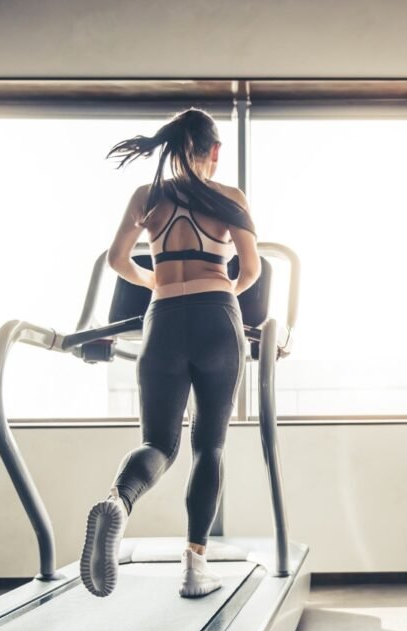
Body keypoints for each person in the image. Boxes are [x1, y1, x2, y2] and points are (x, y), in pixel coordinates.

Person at [78, 108, 260, 599]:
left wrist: (154, 280)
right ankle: (194, 566)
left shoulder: (146, 196)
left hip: (162, 319)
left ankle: (118, 502)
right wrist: (225, 296)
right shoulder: (227, 197)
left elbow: (118, 260)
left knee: (159, 443)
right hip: (217, 315)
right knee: (210, 446)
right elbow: (251, 269)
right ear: (214, 151)